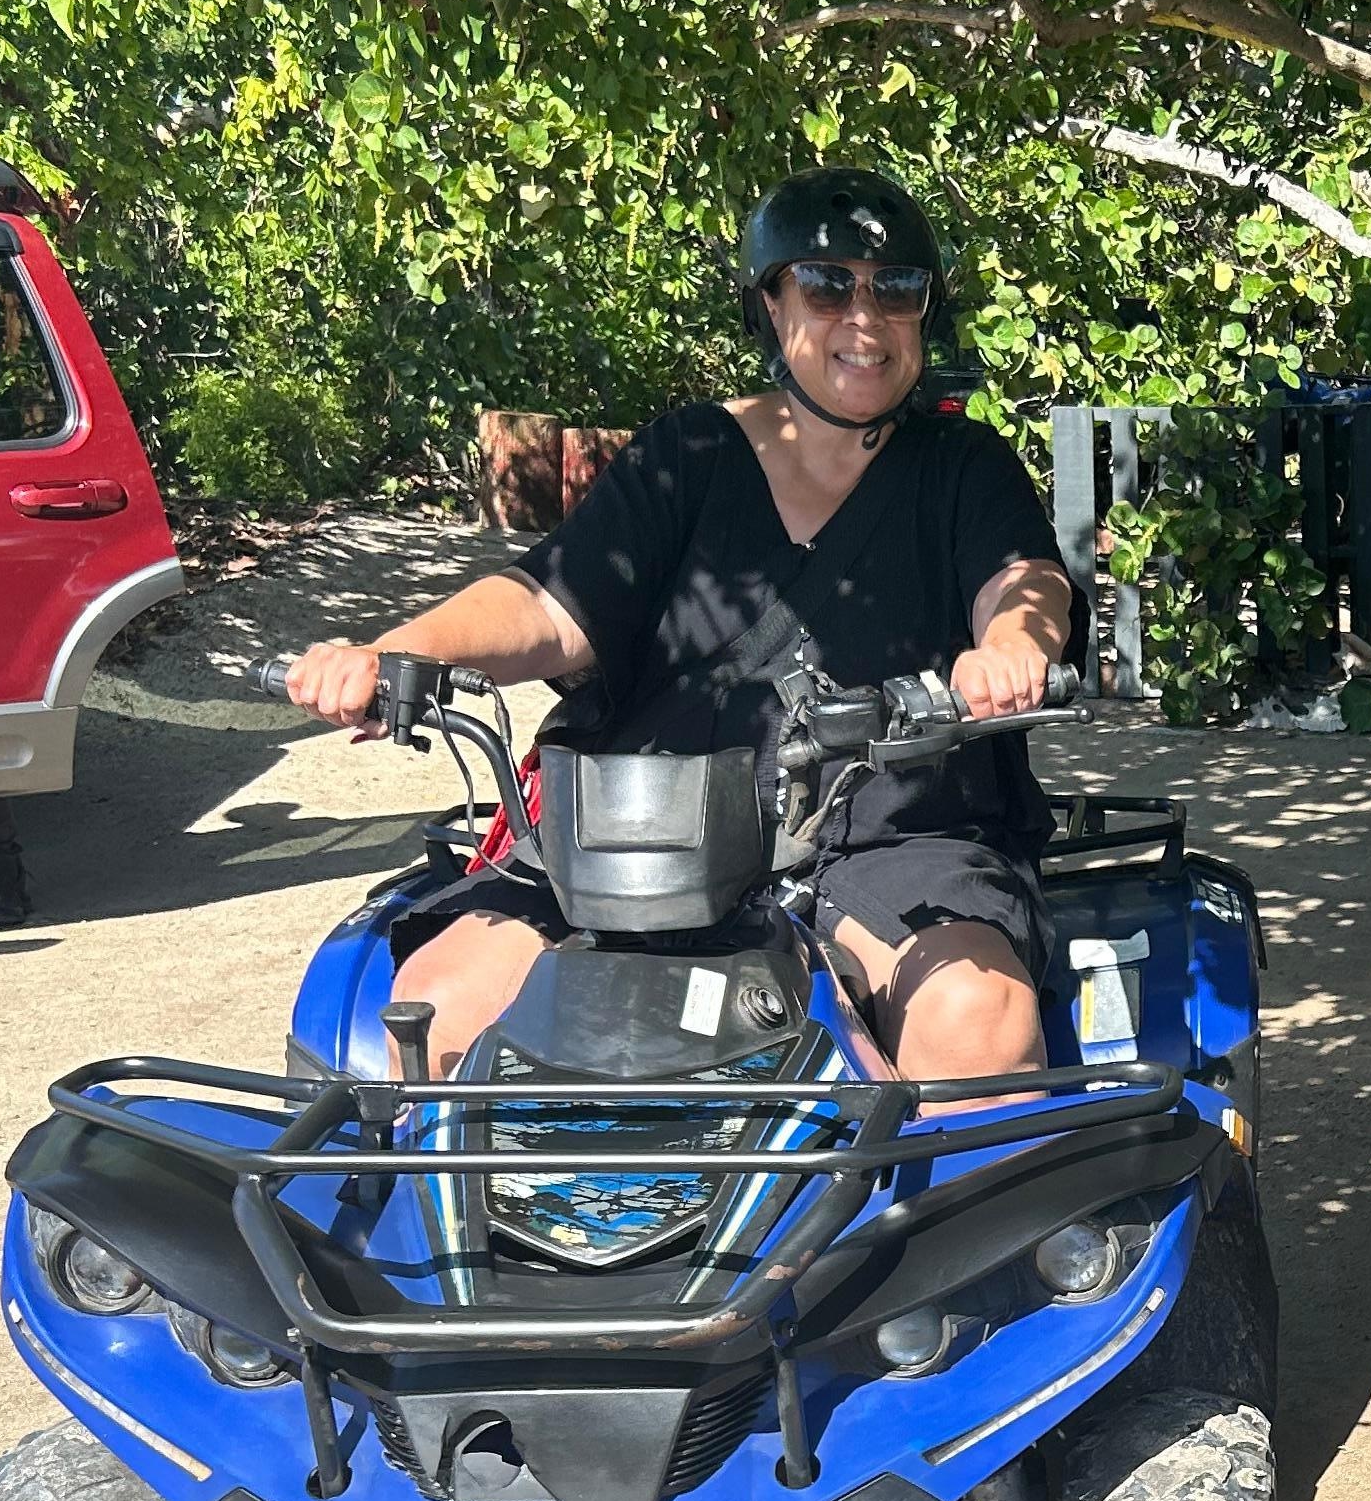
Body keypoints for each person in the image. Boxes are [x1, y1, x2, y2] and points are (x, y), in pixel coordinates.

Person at [284, 167, 1075, 1079]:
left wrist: (1013, 645)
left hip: (886, 833)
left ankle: (922, 1225)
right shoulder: (688, 454)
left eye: (895, 290)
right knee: (439, 1003)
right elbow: (549, 603)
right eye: (825, 285)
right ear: (771, 307)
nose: (864, 319)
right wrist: (397, 651)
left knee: (979, 1018)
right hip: (641, 832)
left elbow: (1023, 577)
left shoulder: (964, 463)